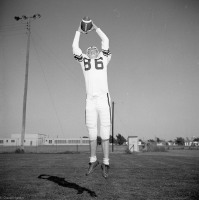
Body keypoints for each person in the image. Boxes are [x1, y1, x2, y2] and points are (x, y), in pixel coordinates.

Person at [72, 20, 112, 178]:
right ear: (87, 53)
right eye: (90, 49)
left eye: (95, 48)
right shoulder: (84, 61)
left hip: (103, 99)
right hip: (90, 100)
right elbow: (75, 48)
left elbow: (106, 41)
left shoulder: (104, 58)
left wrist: (95, 28)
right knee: (91, 131)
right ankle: (93, 160)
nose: (93, 49)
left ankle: (106, 162)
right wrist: (78, 31)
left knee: (105, 130)